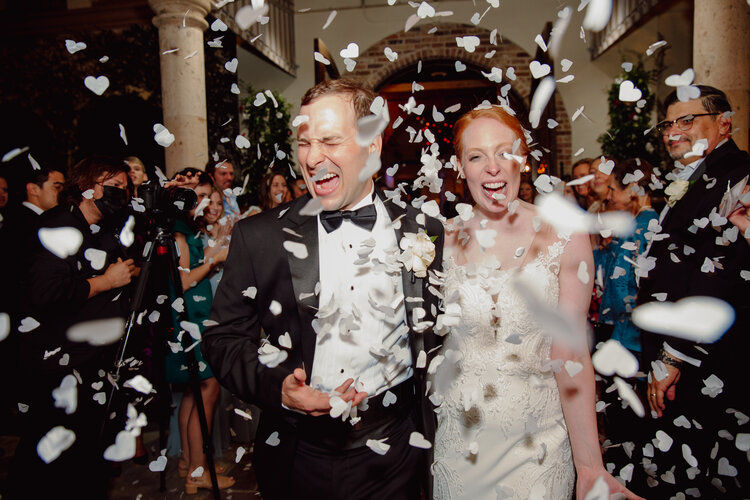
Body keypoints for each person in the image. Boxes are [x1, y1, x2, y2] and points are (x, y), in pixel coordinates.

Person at [202, 78, 444, 500]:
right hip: (300, 455)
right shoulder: (260, 237)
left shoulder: (422, 229)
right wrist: (278, 387)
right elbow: (222, 338)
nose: (313, 158)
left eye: (330, 141)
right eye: (304, 142)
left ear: (373, 145)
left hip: (399, 451)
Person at [431, 105, 642, 500]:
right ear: (460, 168)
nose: (492, 167)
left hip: (539, 445)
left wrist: (590, 466)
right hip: (461, 443)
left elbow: (572, 354)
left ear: (523, 161)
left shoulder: (565, 238)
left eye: (504, 152)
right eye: (476, 156)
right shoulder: (439, 240)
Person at [635, 85, 750, 497]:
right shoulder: (694, 175)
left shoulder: (738, 175)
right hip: (682, 356)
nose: (673, 131)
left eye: (687, 120)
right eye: (668, 123)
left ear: (724, 122)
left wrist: (674, 354)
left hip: (709, 361)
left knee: (712, 472)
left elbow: (722, 269)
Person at [7, 156, 136, 498]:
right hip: (55, 364)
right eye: (116, 186)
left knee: (85, 462)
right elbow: (46, 293)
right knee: (44, 458)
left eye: (126, 187)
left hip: (92, 361)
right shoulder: (57, 224)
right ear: (88, 187)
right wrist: (105, 282)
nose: (121, 193)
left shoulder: (105, 229)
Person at [165, 172, 234, 494]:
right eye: (199, 196)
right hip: (190, 319)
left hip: (196, 316)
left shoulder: (186, 229)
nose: (204, 203)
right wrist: (215, 261)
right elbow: (180, 281)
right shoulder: (178, 233)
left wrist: (213, 254)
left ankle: (188, 462)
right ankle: (197, 472)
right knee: (207, 390)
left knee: (195, 393)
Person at [206, 158, 241, 223]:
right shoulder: (206, 199)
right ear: (211, 176)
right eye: (223, 174)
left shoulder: (231, 197)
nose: (229, 178)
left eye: (231, 174)